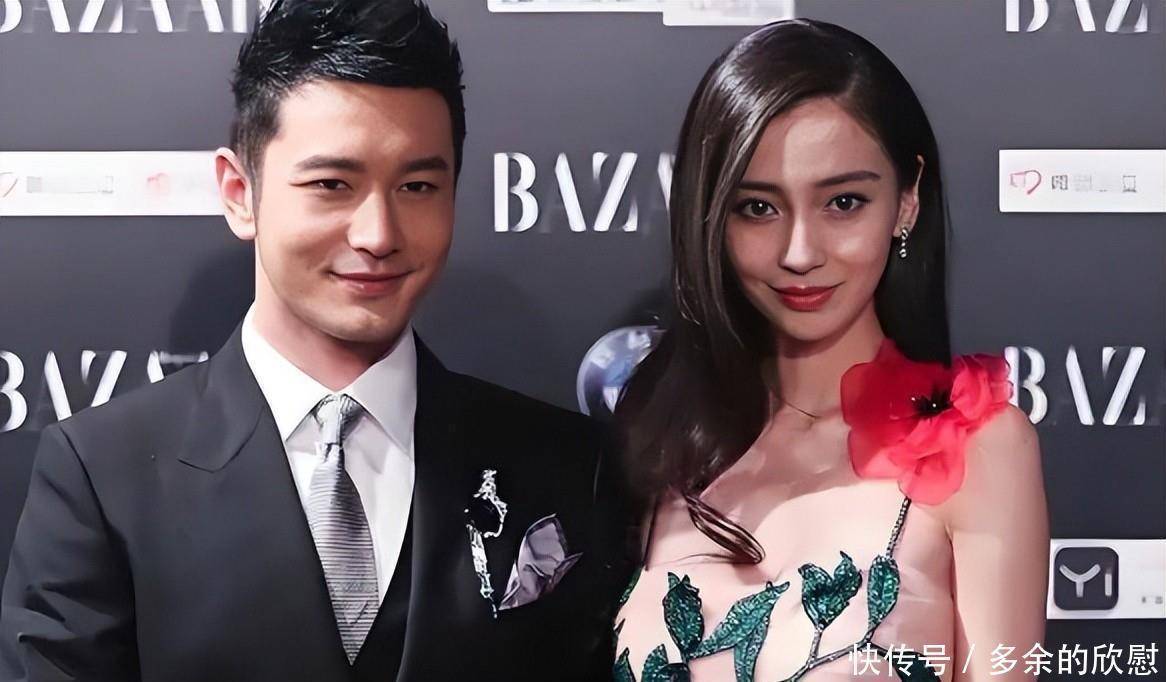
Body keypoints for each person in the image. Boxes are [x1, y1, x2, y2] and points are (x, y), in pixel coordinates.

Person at [0, 1, 630, 680]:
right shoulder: (102, 476)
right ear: (239, 193)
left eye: (418, 186)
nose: (378, 234)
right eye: (332, 184)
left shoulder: (568, 466)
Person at [611, 19, 1049, 682]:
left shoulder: (983, 449)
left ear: (907, 200)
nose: (800, 253)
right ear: (710, 216)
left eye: (844, 202)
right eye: (758, 208)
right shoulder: (664, 439)